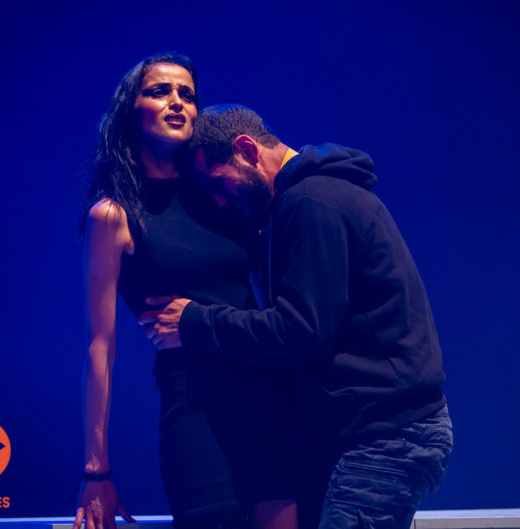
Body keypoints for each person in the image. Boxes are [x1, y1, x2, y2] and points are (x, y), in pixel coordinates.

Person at [139, 104, 454, 529]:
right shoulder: (307, 200)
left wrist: (195, 321)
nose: (218, 200)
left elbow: (302, 330)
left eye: (217, 183)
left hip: (387, 436)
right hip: (379, 433)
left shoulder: (312, 202)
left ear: (246, 149)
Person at [76, 59, 302, 529]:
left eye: (187, 93)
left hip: (268, 395)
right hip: (195, 407)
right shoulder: (114, 215)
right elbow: (101, 346)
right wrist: (96, 470)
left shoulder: (223, 193)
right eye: (160, 91)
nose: (177, 101)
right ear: (130, 111)